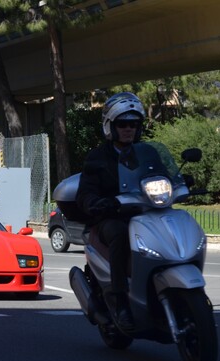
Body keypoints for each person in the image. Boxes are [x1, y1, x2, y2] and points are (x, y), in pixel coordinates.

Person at [75, 92, 149, 332]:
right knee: (120, 234)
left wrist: (181, 182)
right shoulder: (98, 157)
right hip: (110, 218)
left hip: (145, 215)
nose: (129, 129)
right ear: (111, 126)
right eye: (123, 124)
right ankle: (119, 302)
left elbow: (163, 174)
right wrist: (94, 202)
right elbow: (85, 191)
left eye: (133, 124)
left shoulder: (147, 154)